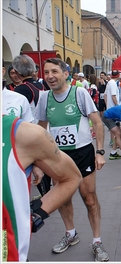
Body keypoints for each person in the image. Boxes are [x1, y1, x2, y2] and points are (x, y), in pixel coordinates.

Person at [36, 58, 109, 262]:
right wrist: (38, 162)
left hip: (82, 152)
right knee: (63, 198)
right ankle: (71, 234)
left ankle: (97, 241)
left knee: (90, 198)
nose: (50, 76)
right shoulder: (44, 98)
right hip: (58, 156)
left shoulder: (79, 93)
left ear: (66, 73)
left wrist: (100, 152)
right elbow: (40, 129)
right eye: (46, 72)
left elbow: (97, 122)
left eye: (55, 72)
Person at [2, 114, 82, 262]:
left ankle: (73, 233)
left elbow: (71, 177)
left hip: (7, 253)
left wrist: (35, 214)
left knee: (89, 196)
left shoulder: (25, 134)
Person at [12, 55, 47, 124]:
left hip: (29, 127)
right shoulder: (41, 85)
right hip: (44, 125)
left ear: (16, 72)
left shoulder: (21, 89)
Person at [105, 70, 121, 159]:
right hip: (114, 112)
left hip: (111, 109)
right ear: (118, 75)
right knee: (118, 134)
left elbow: (105, 95)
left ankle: (113, 152)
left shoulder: (110, 82)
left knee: (117, 133)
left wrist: (108, 106)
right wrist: (118, 107)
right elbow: (113, 96)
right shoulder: (112, 83)